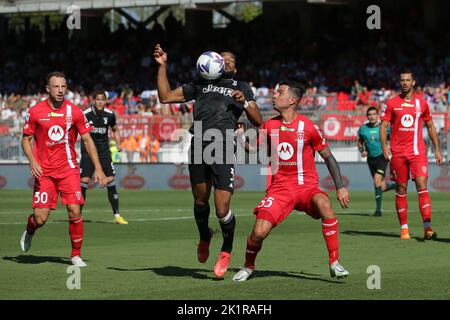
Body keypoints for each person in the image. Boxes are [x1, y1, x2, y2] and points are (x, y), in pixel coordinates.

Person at [154, 44, 263, 278]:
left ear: (235, 67)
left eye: (230, 59)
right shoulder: (200, 85)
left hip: (223, 145)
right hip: (199, 143)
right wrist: (163, 66)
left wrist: (244, 102)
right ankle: (205, 236)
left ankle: (226, 250)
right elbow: (164, 97)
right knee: (200, 202)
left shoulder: (241, 87)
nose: (226, 61)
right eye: (222, 59)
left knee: (222, 208)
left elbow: (258, 120)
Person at [232, 81, 350, 282]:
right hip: (279, 190)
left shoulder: (309, 127)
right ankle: (248, 266)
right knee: (259, 232)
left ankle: (334, 262)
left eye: (280, 92)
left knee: (324, 203)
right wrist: (241, 137)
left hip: (306, 187)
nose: (274, 95)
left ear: (292, 100)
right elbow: (252, 148)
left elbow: (328, 156)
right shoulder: (269, 125)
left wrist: (340, 187)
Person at [20, 71, 107, 267]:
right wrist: (32, 160)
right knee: (41, 218)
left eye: (63, 86)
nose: (60, 90)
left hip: (68, 169)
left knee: (75, 210)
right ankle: (31, 227)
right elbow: (26, 139)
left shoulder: (74, 111)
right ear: (48, 89)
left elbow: (87, 139)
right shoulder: (35, 112)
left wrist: (98, 167)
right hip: (44, 172)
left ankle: (75, 255)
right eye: (56, 86)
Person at [380, 70, 443, 240]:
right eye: (402, 80)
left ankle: (427, 228)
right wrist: (384, 146)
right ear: (400, 82)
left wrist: (437, 149)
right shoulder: (392, 103)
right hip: (398, 153)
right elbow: (383, 125)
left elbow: (430, 126)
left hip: (417, 152)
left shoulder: (421, 104)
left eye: (408, 80)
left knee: (422, 184)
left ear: (413, 82)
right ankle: (404, 229)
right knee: (401, 189)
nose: (405, 83)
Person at [80, 90, 128, 225]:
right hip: (88, 152)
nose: (100, 102)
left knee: (110, 180)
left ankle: (117, 215)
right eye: (98, 99)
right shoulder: (85, 114)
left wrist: (118, 143)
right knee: (84, 180)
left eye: (103, 99)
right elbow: (76, 131)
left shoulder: (110, 115)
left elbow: (115, 129)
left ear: (106, 101)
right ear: (93, 101)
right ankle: (78, 215)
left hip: (103, 152)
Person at [357, 106, 396, 216]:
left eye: (374, 114)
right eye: (370, 115)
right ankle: (396, 186)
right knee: (381, 186)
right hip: (371, 159)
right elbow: (360, 142)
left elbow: (393, 137)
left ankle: (378, 210)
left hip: (382, 157)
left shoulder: (384, 127)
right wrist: (362, 150)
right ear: (367, 116)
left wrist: (389, 148)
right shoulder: (363, 129)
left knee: (376, 180)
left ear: (377, 115)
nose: (372, 116)